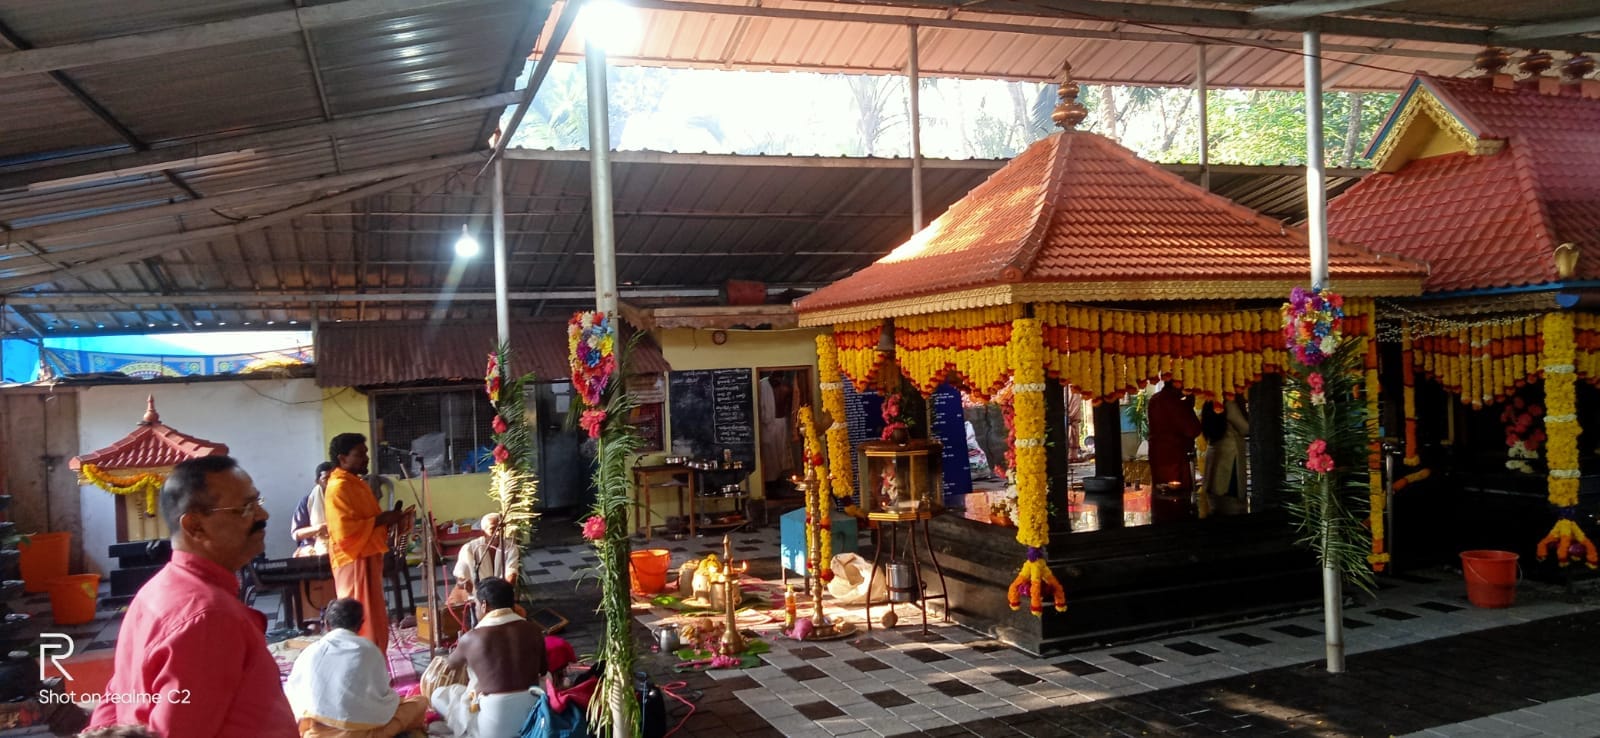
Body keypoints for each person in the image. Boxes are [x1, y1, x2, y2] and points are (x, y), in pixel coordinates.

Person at [86, 455, 297, 738]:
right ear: (195, 526)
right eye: (246, 508)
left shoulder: (156, 590)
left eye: (258, 502)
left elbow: (117, 695)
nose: (262, 515)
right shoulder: (209, 616)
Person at [285, 598, 429, 738]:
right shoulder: (369, 649)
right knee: (419, 703)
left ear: (327, 624)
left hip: (314, 732)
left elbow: (291, 692)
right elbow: (383, 694)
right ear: (361, 624)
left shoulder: (309, 651)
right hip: (357, 733)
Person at [325, 433, 412, 656]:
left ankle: (375, 662)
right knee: (359, 618)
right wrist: (383, 519)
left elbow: (368, 519)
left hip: (367, 555)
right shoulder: (338, 487)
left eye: (365, 453)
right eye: (360, 454)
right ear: (342, 458)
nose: (366, 458)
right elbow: (345, 531)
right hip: (353, 560)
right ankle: (360, 663)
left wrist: (392, 521)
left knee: (374, 616)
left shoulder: (355, 483)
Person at [430, 578, 547, 738]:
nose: (476, 609)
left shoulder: (471, 638)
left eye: (476, 605)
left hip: (493, 728)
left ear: (484, 605)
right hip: (533, 718)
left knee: (439, 694)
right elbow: (544, 669)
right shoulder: (534, 630)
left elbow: (450, 664)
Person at [1146, 378, 1202, 498]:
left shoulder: (1154, 399)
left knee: (1160, 492)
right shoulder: (1176, 401)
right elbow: (1193, 429)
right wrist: (1188, 405)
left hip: (1157, 455)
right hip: (1174, 456)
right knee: (1176, 495)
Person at [450, 513, 520, 599]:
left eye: (500, 528)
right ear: (483, 532)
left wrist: (502, 592)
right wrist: (463, 582)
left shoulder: (510, 547)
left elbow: (512, 572)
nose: (498, 533)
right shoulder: (469, 548)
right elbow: (461, 575)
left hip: (502, 597)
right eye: (493, 529)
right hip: (477, 598)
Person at [1202, 398, 1250, 505]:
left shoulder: (1208, 402)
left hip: (1214, 451)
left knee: (1215, 495)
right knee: (1229, 494)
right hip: (1229, 455)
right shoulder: (1229, 404)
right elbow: (1245, 428)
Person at [292, 462, 336, 554]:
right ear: (317, 481)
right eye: (326, 478)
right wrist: (318, 528)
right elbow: (296, 534)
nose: (331, 482)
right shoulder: (307, 501)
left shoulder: (345, 498)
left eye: (334, 478)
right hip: (313, 549)